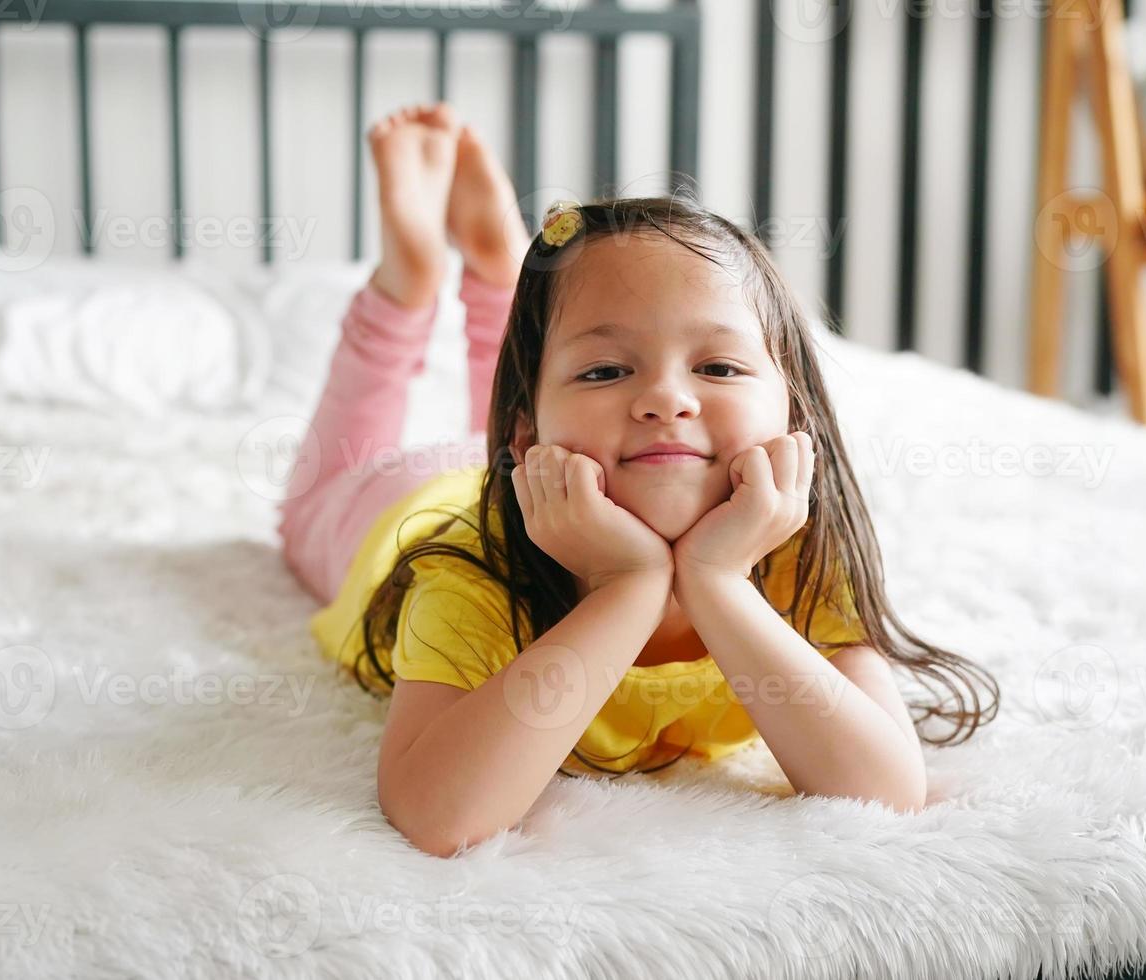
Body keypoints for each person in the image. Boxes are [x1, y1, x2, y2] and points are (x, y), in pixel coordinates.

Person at [278, 102, 999, 858]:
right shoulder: (468, 570)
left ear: (796, 415)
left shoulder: (797, 561)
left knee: (555, 363)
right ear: (526, 440)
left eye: (717, 367)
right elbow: (438, 814)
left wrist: (718, 582)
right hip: (402, 505)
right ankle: (411, 281)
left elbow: (882, 792)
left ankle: (500, 272)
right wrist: (627, 585)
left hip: (527, 452)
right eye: (608, 370)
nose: (666, 399)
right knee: (315, 497)